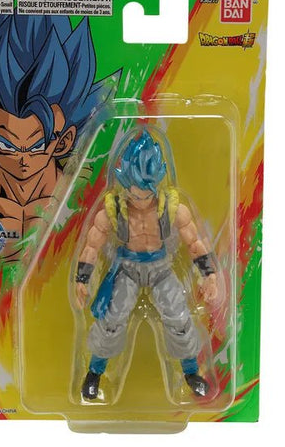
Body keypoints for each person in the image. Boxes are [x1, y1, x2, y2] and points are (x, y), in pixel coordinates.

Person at [74, 131, 218, 400]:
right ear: (125, 182)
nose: (140, 197)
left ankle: (191, 372)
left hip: (160, 267)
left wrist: (209, 275)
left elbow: (195, 243)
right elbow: (92, 246)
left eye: (146, 190)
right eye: (134, 189)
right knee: (112, 318)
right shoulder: (114, 208)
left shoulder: (173, 208)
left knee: (178, 316)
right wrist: (82, 280)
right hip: (126, 267)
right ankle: (94, 372)